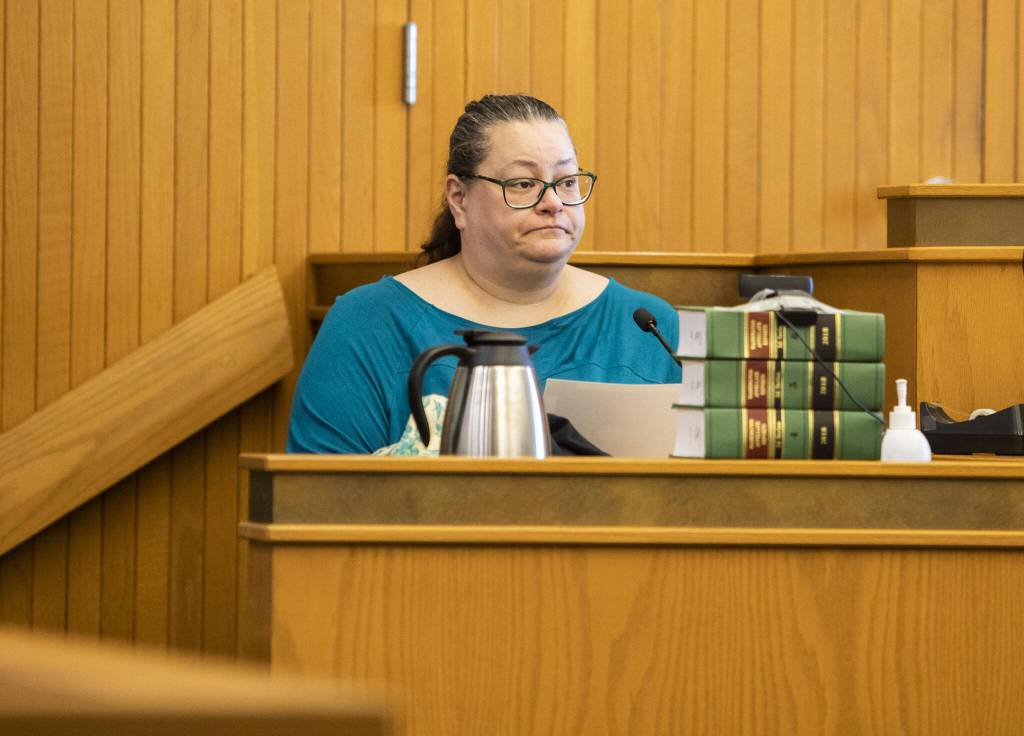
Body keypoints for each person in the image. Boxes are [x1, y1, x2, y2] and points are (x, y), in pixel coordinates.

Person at [287, 94, 681, 455]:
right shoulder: (368, 324)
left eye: (566, 181)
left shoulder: (650, 326)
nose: (553, 203)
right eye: (524, 184)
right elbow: (319, 501)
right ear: (459, 199)